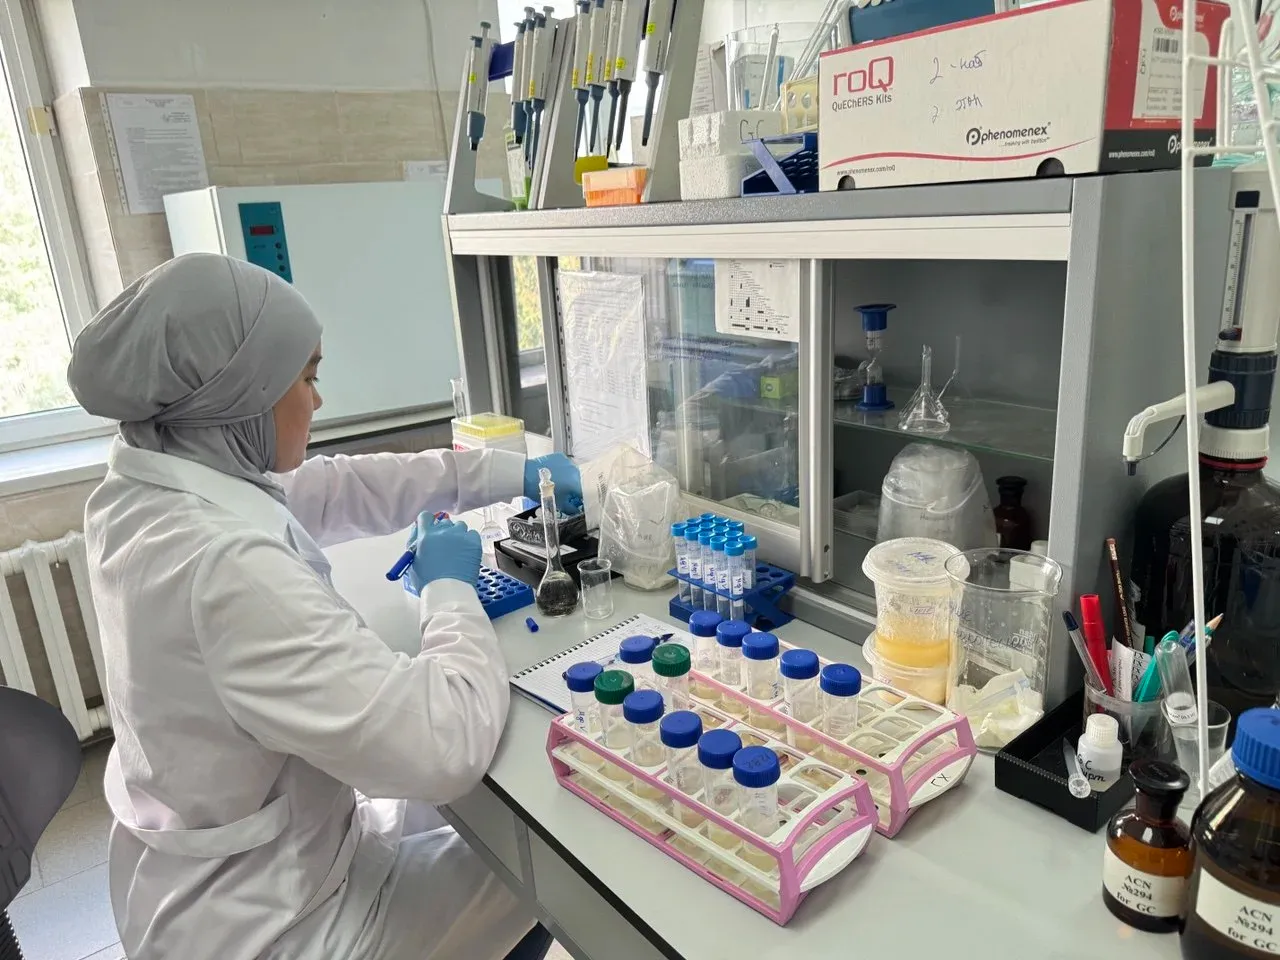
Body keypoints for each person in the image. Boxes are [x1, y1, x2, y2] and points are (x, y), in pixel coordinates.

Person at [66, 253, 581, 960]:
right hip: (275, 927)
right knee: (557, 864)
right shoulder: (222, 567)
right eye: (306, 378)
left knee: (485, 820)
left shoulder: (156, 479)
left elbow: (338, 486)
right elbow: (443, 746)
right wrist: (448, 589)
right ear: (239, 395)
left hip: (235, 858)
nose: (318, 400)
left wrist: (508, 471)